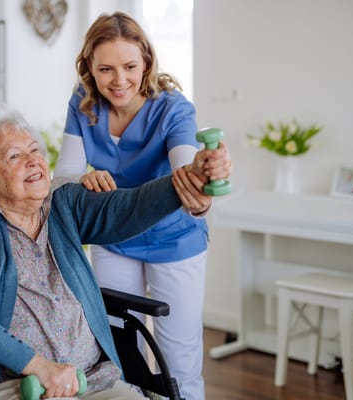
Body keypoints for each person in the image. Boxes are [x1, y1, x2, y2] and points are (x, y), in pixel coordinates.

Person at [0, 103, 214, 400]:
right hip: (21, 386)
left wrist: (188, 179)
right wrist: (36, 366)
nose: (33, 161)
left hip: (96, 380)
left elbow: (127, 208)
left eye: (34, 150)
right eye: (15, 156)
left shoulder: (62, 202)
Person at [53, 12, 232, 400]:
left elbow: (185, 172)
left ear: (146, 62)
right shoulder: (82, 104)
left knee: (178, 358)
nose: (119, 81)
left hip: (175, 242)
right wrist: (82, 178)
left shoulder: (173, 109)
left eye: (130, 66)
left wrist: (202, 177)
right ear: (89, 69)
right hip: (115, 240)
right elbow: (63, 176)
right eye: (106, 69)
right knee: (120, 353)